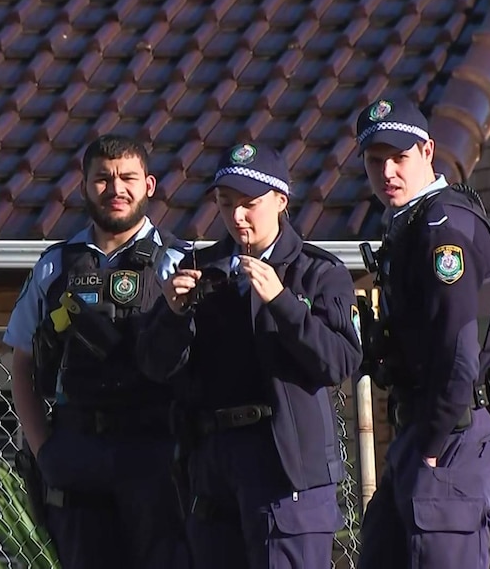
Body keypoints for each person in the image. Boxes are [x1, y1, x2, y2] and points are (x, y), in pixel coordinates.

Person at [136, 143, 363, 569]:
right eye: (226, 204)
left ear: (280, 201)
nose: (237, 217)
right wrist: (171, 313)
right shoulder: (200, 268)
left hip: (285, 465)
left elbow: (340, 362)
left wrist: (282, 302)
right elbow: (154, 365)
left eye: (249, 204)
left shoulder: (317, 273)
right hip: (214, 463)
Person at [4, 134, 192, 569]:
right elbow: (22, 361)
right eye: (102, 179)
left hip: (157, 456)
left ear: (149, 185)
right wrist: (44, 450)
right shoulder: (55, 266)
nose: (115, 189)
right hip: (77, 452)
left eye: (127, 177)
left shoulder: (180, 262)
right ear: (84, 186)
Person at [353, 96, 490, 569]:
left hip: (453, 433)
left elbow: (460, 356)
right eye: (375, 161)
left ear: (428, 151)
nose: (387, 173)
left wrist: (429, 446)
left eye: (399, 158)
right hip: (426, 429)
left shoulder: (445, 230)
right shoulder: (409, 223)